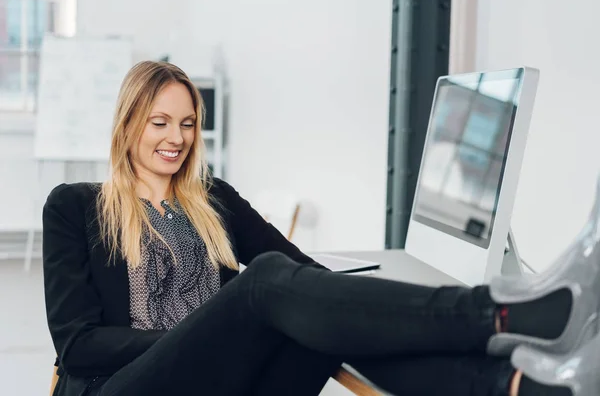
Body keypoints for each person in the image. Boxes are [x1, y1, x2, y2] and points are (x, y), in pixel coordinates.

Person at [43, 61, 599, 396]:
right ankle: (501, 313)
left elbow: (302, 276)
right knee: (259, 284)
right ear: (128, 123)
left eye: (188, 123)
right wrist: (210, 334)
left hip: (228, 384)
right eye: (159, 122)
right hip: (125, 388)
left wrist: (353, 305)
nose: (177, 137)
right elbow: (78, 347)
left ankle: (521, 386)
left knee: (320, 319)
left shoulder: (210, 199)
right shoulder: (74, 206)